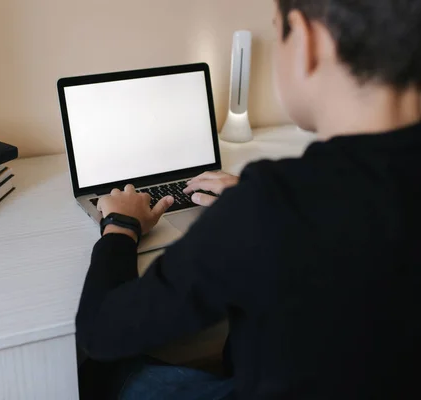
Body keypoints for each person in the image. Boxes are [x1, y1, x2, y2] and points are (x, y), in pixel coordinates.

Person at [76, 0, 421, 398]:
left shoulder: (272, 207)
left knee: (100, 373)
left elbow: (101, 332)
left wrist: (121, 226)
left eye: (278, 33)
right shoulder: (278, 205)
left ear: (308, 41)